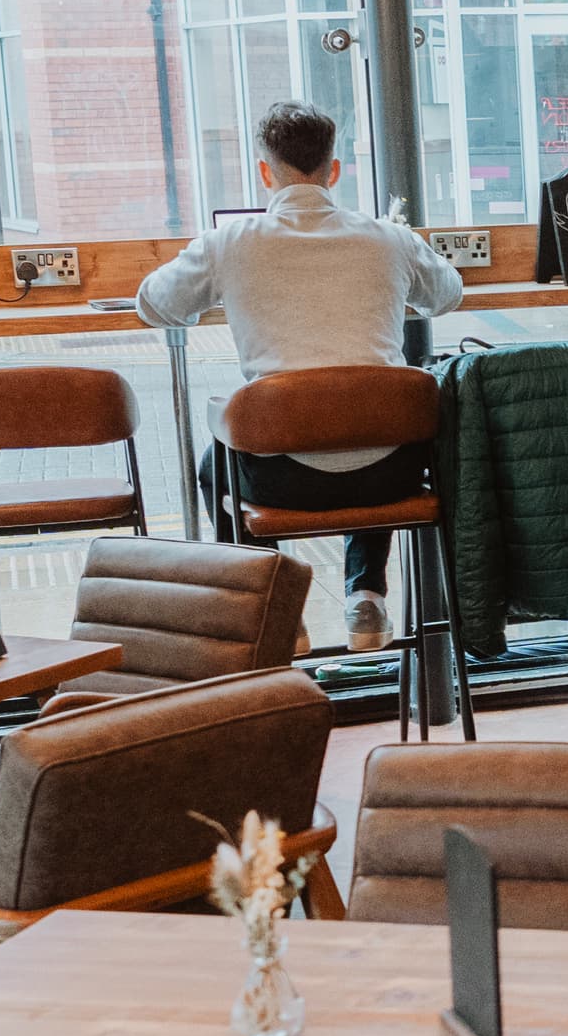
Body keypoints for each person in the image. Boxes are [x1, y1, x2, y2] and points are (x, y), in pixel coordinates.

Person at [139, 100, 462, 652]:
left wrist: (218, 292)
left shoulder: (229, 243)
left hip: (281, 480)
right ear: (334, 171)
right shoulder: (389, 238)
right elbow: (448, 295)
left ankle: (277, 609)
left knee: (213, 467)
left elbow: (154, 306)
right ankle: (368, 592)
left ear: (265, 173)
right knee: (368, 418)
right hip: (394, 476)